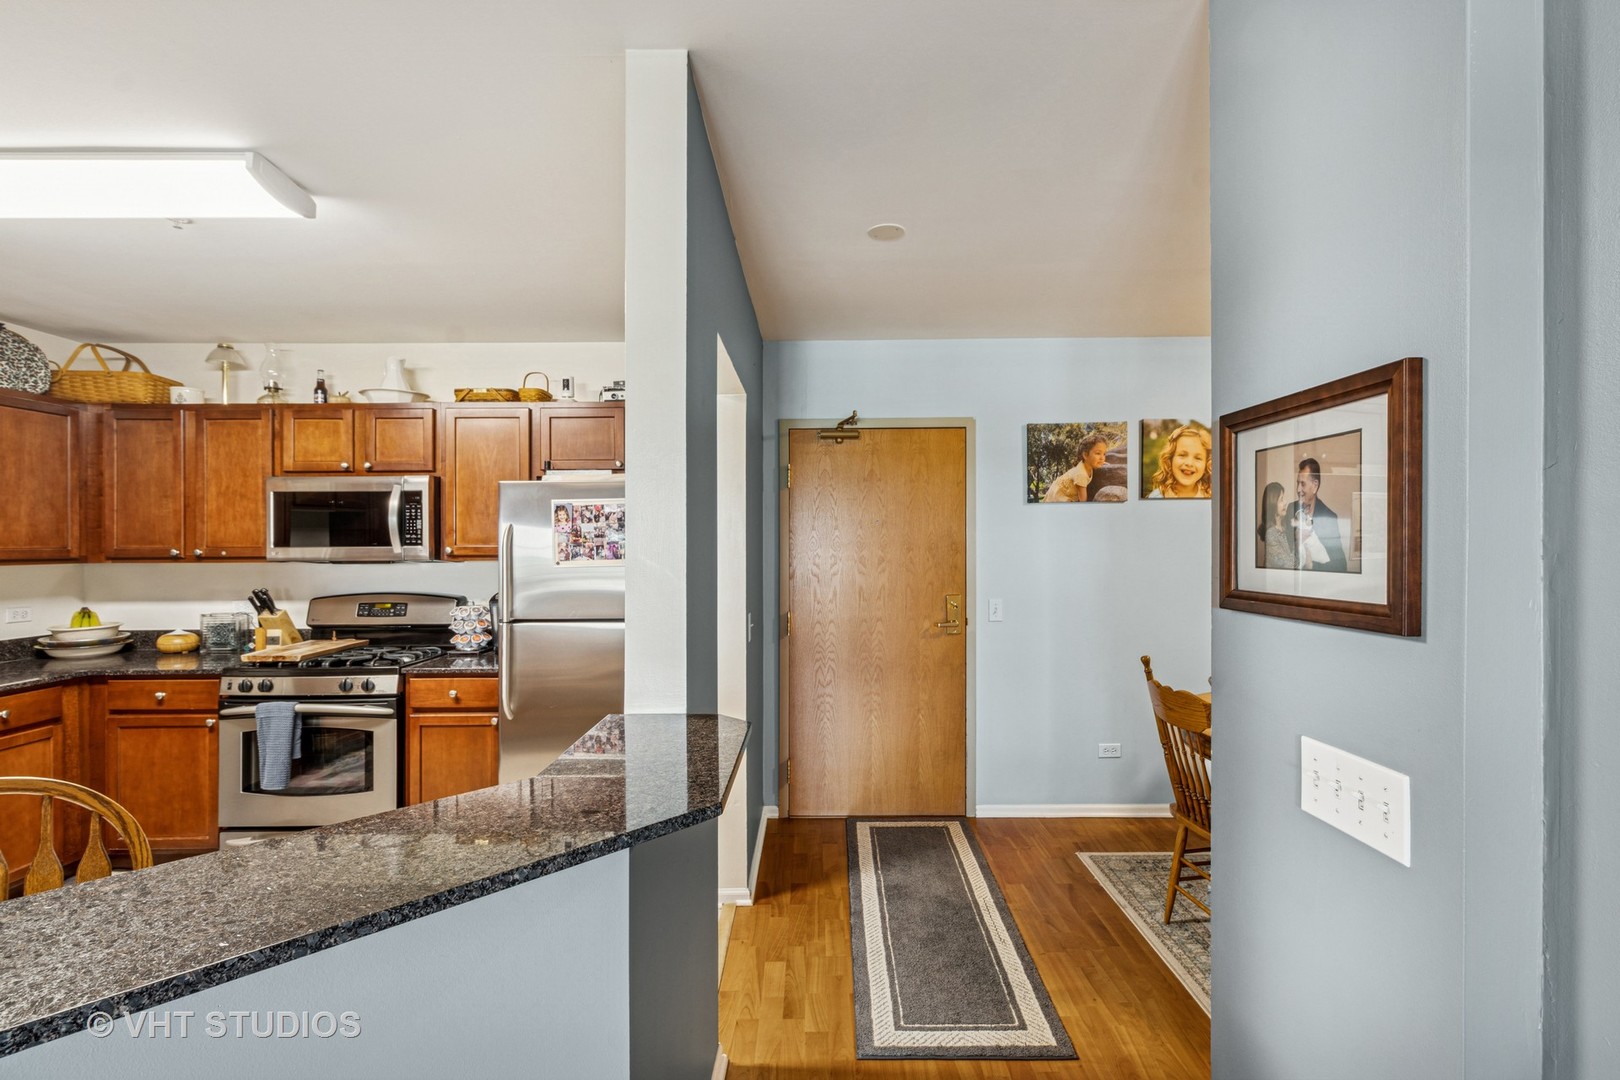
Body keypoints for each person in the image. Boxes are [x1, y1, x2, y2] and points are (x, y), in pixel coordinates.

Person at [1285, 457, 1348, 572]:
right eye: (1297, 483)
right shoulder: (1290, 509)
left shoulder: (1329, 518)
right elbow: (1281, 550)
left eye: (1302, 484)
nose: (1298, 489)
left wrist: (1312, 566)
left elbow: (1341, 566)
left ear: (1315, 486)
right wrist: (1295, 539)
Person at [1146, 425, 1212, 498]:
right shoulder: (1156, 497)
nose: (1189, 463)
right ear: (1170, 459)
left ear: (1206, 464)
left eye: (1198, 458)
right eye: (1182, 455)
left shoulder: (1211, 496)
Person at [1042, 433, 1110, 502]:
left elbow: (1093, 461)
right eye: (1098, 453)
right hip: (1058, 495)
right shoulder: (1081, 474)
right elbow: (1083, 500)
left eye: (1104, 454)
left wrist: (1101, 463)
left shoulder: (1086, 465)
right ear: (1085, 455)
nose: (1102, 458)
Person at [1259, 482, 1295, 568]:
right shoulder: (1271, 534)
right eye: (1281, 499)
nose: (1285, 502)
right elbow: (1288, 566)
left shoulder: (1285, 527)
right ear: (1273, 503)